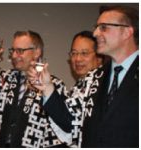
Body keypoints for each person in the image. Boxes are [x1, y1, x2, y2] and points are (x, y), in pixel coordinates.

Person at [35, 5, 138, 147]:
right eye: (96, 27)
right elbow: (70, 122)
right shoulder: (95, 77)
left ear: (127, 32)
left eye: (104, 27)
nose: (95, 33)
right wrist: (46, 87)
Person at [0, 30, 68, 147]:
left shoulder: (54, 86)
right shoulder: (4, 79)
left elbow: (61, 132)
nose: (14, 55)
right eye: (13, 50)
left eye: (20, 51)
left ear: (37, 52)